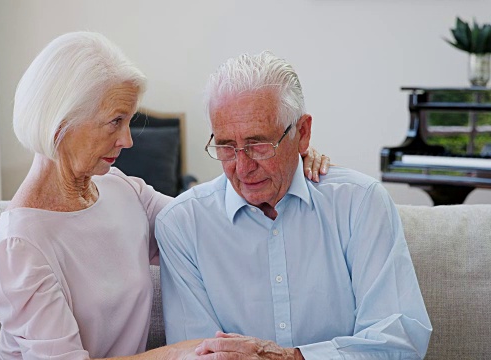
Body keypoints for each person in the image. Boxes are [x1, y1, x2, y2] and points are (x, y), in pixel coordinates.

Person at [0, 32, 329, 359]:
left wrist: (288, 160)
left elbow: (213, 217)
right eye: (115, 121)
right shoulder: (22, 243)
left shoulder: (120, 190)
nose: (127, 140)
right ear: (61, 121)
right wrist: (178, 354)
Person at [156, 52, 432, 359]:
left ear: (302, 134)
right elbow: (198, 353)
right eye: (225, 146)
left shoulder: (360, 203)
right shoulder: (182, 224)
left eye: (258, 144)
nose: (242, 167)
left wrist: (290, 357)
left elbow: (399, 340)